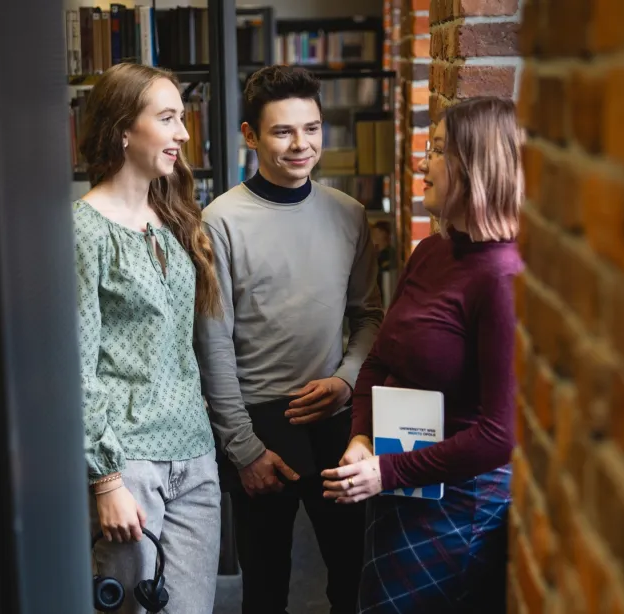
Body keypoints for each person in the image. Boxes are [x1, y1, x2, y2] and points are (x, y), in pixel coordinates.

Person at [322, 97, 524, 613]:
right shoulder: (431, 252)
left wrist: (387, 473)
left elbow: (499, 436)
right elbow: (378, 361)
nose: (420, 162)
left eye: (435, 149)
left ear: (473, 164)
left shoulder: (503, 278)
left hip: (460, 501)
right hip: (399, 479)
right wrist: (362, 439)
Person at [194, 65, 384, 614]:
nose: (302, 145)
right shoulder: (218, 222)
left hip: (335, 422)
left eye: (312, 128)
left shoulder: (349, 215)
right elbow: (213, 344)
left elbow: (370, 316)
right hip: (258, 426)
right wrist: (244, 448)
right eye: (282, 131)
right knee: (266, 586)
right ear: (250, 136)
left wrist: (347, 383)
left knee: (352, 574)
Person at [73, 63, 223, 614]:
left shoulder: (174, 219)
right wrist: (106, 480)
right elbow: (76, 368)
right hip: (129, 463)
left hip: (196, 458)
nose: (184, 134)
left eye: (182, 119)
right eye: (167, 118)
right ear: (123, 130)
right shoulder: (82, 230)